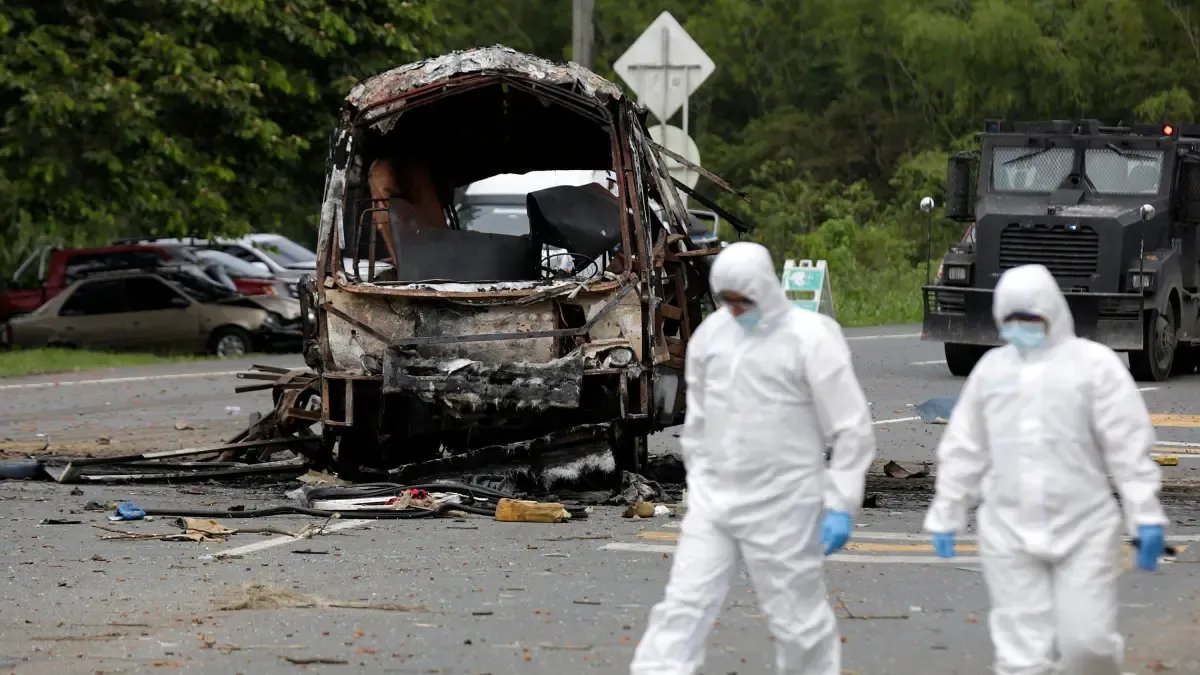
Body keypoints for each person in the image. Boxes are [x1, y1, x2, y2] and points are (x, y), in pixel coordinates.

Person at [630, 241, 877, 675]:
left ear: (765, 289)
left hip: (785, 504)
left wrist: (841, 504)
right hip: (716, 501)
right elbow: (701, 422)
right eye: (726, 300)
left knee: (797, 620)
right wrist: (699, 483)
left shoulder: (811, 337)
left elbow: (850, 426)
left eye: (743, 300)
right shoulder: (712, 336)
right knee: (684, 606)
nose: (735, 309)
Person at [924, 263, 1168, 675]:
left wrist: (1144, 512)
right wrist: (947, 509)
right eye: (1011, 319)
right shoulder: (993, 372)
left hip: (1084, 530)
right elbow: (964, 447)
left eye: (1030, 318)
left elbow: (1128, 445)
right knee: (1023, 659)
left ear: (1052, 312)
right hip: (1008, 531)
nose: (1021, 328)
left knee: (1088, 647)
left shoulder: (1094, 366)